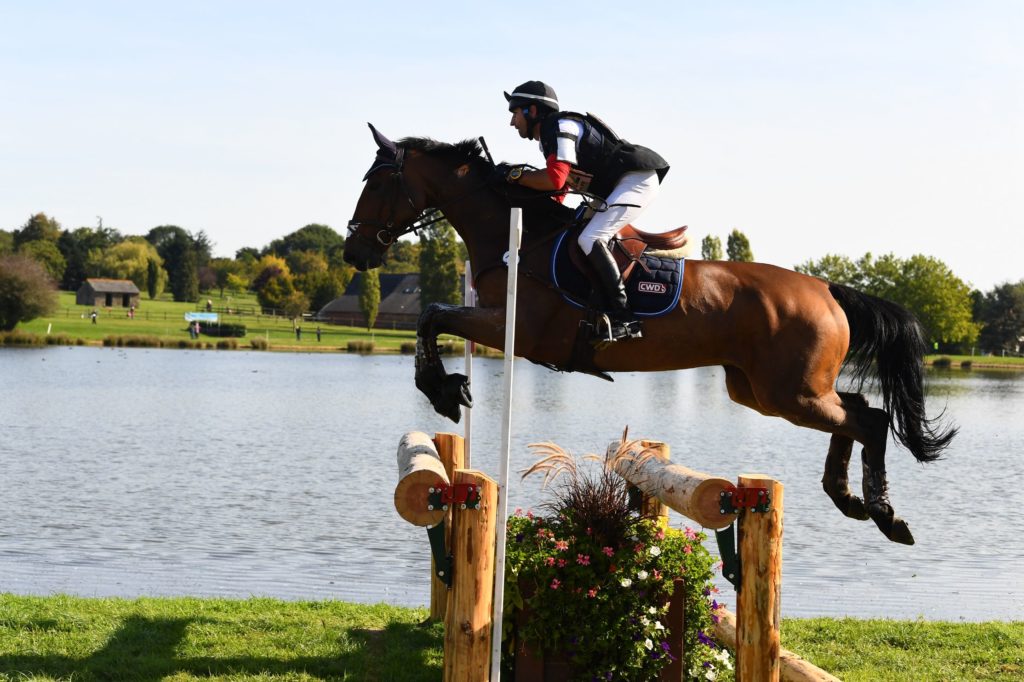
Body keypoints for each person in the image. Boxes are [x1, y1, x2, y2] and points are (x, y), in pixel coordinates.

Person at [504, 80, 670, 338]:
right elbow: (560, 191)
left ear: (532, 111)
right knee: (575, 232)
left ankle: (625, 319)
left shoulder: (560, 128)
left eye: (515, 113)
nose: (512, 123)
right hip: (615, 186)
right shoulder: (549, 138)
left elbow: (555, 179)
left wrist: (516, 177)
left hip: (636, 180)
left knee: (590, 237)